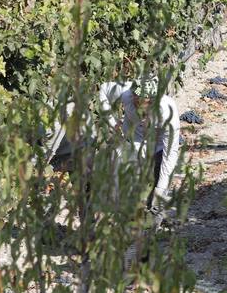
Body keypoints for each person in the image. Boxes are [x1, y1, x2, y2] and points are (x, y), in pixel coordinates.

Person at [45, 76, 183, 216]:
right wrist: (112, 121)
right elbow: (104, 90)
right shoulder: (126, 91)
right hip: (133, 141)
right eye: (136, 101)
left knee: (158, 191)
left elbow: (170, 153)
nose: (138, 105)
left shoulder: (168, 114)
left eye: (143, 103)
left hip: (158, 146)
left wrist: (160, 188)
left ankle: (153, 224)